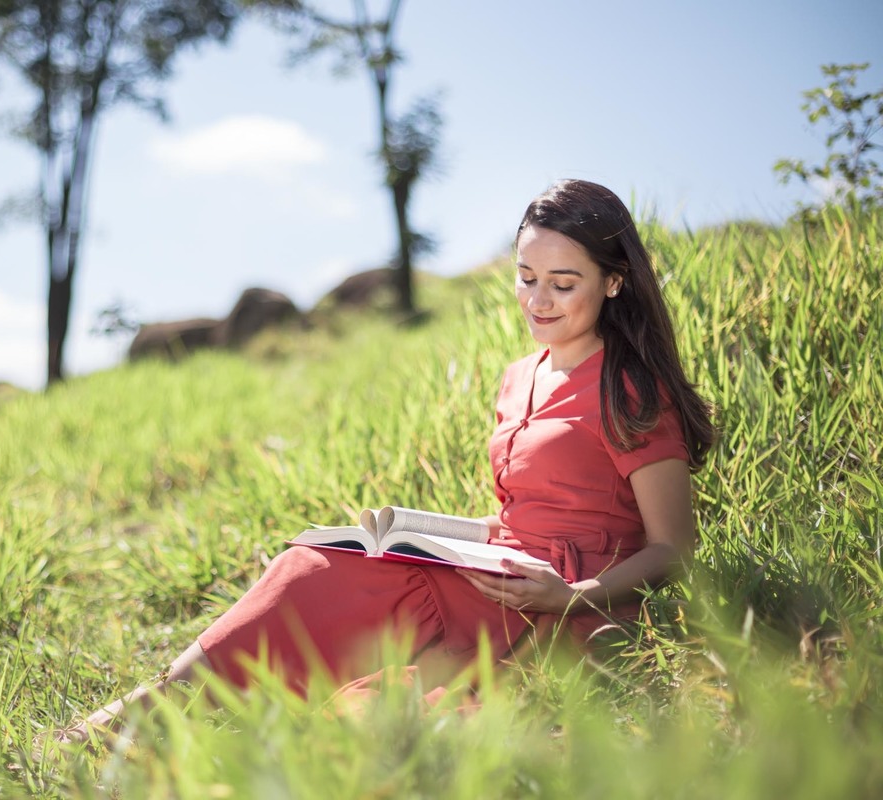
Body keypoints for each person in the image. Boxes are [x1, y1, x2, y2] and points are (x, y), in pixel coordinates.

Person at [59, 178, 715, 744]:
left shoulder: (631, 389)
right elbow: (519, 515)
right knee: (317, 563)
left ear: (614, 282)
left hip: (570, 605)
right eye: (526, 277)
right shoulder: (520, 377)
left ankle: (188, 725)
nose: (538, 301)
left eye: (563, 284)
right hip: (500, 575)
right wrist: (419, 529)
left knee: (384, 712)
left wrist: (570, 596)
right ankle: (135, 714)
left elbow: (672, 548)